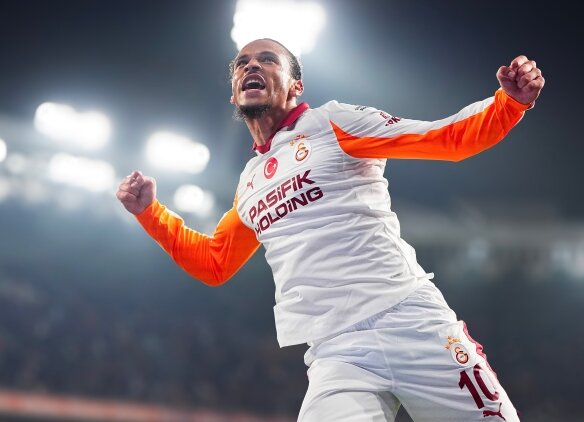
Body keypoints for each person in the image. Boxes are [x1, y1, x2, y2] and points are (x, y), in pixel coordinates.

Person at [117, 38, 544, 421]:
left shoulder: (334, 123)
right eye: (242, 63)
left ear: (295, 86)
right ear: (233, 91)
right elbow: (215, 263)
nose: (252, 66)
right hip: (337, 353)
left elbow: (444, 138)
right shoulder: (249, 183)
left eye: (267, 60)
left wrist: (508, 104)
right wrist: (150, 213)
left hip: (412, 322)